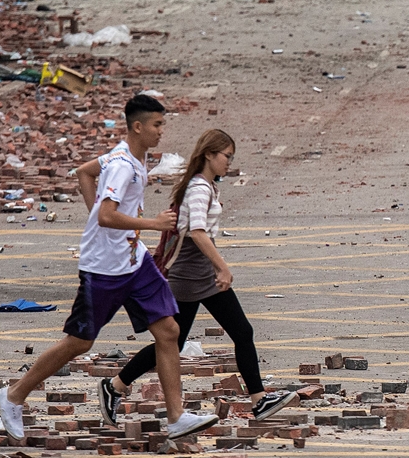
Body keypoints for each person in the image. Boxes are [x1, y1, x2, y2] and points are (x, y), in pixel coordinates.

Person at [0, 94, 215, 442]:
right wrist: (151, 224)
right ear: (138, 127)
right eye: (157, 125)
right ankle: (13, 396)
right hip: (104, 269)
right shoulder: (122, 165)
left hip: (134, 261)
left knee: (169, 331)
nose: (162, 132)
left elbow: (84, 173)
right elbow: (106, 214)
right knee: (79, 343)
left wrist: (102, 221)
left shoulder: (127, 156)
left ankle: (177, 417)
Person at [95, 129, 299, 424]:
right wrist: (222, 267)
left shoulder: (203, 185)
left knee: (237, 333)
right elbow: (198, 233)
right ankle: (114, 386)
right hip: (189, 277)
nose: (229, 162)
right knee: (174, 343)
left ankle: (259, 400)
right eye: (226, 156)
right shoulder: (199, 188)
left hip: (198, 275)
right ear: (209, 155)